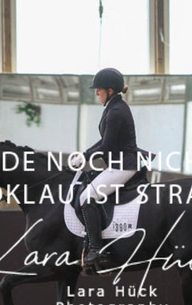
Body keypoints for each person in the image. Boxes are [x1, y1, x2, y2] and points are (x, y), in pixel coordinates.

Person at [70, 67, 139, 268]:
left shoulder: (116, 111)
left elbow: (107, 146)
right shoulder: (114, 106)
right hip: (118, 163)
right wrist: (84, 154)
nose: (96, 93)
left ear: (110, 90)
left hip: (124, 166)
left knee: (87, 197)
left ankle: (96, 250)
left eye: (99, 90)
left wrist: (85, 157)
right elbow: (104, 140)